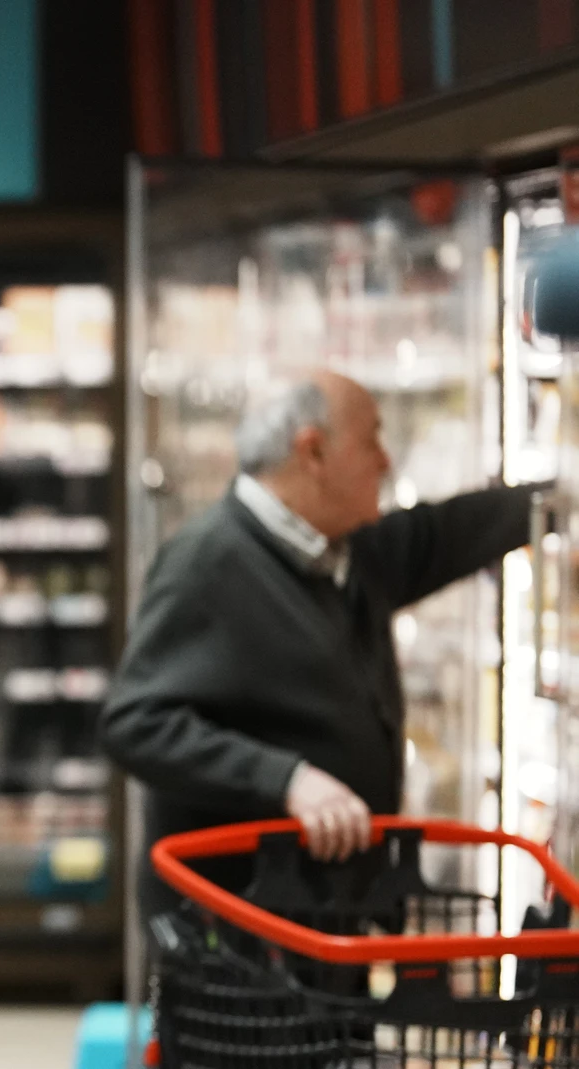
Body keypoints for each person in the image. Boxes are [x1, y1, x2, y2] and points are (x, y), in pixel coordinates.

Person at [103, 371, 539, 912]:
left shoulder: (341, 549)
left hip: (324, 917)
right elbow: (135, 723)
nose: (385, 461)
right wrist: (286, 780)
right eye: (371, 440)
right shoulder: (209, 564)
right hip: (239, 934)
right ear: (312, 451)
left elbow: (438, 534)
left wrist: (547, 502)